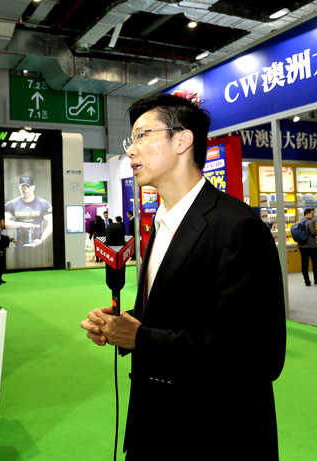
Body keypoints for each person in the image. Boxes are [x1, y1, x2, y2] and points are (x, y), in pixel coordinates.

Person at [80, 93, 286, 459]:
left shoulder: (237, 226)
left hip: (213, 432)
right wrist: (123, 324)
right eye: (131, 139)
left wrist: (140, 336)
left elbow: (256, 355)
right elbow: (180, 311)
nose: (131, 150)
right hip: (155, 424)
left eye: (142, 136)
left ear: (182, 140)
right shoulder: (162, 223)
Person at [4, 175, 53, 247]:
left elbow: (51, 223)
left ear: (34, 187)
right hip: (19, 246)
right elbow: (3, 223)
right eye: (23, 187)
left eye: (28, 187)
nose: (25, 190)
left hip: (38, 245)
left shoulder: (44, 204)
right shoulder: (11, 204)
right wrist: (21, 224)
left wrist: (42, 240)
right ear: (19, 187)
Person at [298, 208, 317, 286]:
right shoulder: (310, 222)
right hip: (311, 246)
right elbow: (313, 233)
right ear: (307, 214)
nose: (313, 215)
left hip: (302, 246)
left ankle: (307, 281)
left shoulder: (300, 222)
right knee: (315, 263)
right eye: (312, 214)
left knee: (304, 264)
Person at [0, 217, 14, 284]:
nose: (4, 223)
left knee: (1, 264)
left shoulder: (3, 230)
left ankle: (0, 278)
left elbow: (8, 237)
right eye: (3, 222)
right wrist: (7, 239)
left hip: (3, 249)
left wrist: (11, 239)